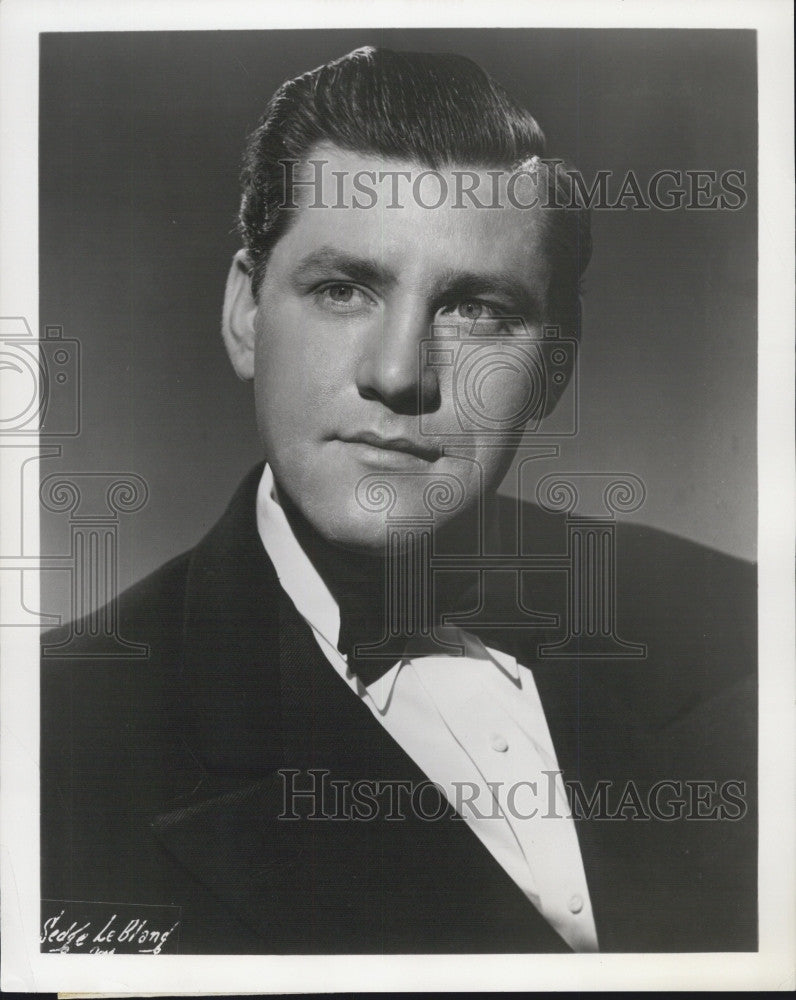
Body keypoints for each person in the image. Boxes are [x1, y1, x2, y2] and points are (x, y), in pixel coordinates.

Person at [41, 46, 756, 954]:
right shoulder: (49, 734)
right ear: (246, 315)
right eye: (343, 290)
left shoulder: (744, 624)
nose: (398, 373)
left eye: (477, 311)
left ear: (553, 371)